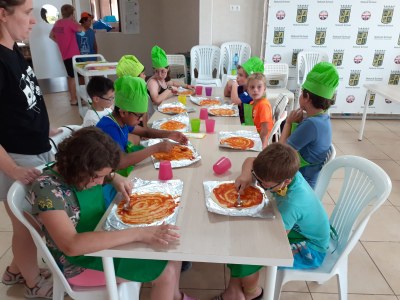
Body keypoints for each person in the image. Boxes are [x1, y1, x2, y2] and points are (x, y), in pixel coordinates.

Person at [29, 127, 195, 300]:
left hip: (102, 237)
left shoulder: (84, 172)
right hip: (79, 263)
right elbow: (72, 245)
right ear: (78, 167)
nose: (101, 181)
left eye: (105, 175)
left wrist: (114, 177)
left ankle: (175, 296)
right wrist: (138, 233)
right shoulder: (47, 189)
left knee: (172, 252)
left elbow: (103, 174)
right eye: (98, 177)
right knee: (166, 272)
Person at [214, 143, 330, 300]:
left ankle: (252, 293)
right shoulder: (283, 172)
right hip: (297, 228)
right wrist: (246, 175)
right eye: (257, 178)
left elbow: (274, 244)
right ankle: (233, 290)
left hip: (311, 247)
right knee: (242, 243)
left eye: (264, 185)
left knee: (247, 253)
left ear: (286, 181)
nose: (258, 185)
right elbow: (250, 160)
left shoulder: (292, 203)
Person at [0, 0, 61, 297]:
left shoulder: (13, 52)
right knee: (27, 226)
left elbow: (20, 102)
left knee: (31, 222)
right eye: (26, 13)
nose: (33, 21)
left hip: (34, 148)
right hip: (16, 158)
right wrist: (12, 169)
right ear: (2, 14)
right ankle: (33, 283)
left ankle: (16, 270)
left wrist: (43, 127)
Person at [97, 75, 188, 178]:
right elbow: (121, 162)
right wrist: (157, 148)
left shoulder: (123, 121)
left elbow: (145, 132)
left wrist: (169, 134)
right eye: (139, 116)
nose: (141, 119)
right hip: (107, 178)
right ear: (123, 112)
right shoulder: (109, 128)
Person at [279, 62, 339, 189]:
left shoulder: (311, 124)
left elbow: (282, 152)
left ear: (306, 97)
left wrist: (289, 123)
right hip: (307, 177)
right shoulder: (323, 119)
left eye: (301, 93)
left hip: (300, 183)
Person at [49, 4, 82, 106]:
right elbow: (81, 30)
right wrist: (75, 20)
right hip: (74, 55)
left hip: (65, 54)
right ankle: (73, 99)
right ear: (72, 13)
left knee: (71, 76)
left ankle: (74, 98)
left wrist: (60, 43)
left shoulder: (58, 23)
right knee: (74, 77)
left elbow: (51, 36)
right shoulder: (70, 23)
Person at [224, 56, 264, 124]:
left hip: (248, 125)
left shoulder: (252, 94)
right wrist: (228, 84)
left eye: (240, 75)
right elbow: (227, 94)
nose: (237, 77)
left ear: (250, 79)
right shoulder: (243, 87)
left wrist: (234, 85)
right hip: (239, 119)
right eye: (238, 74)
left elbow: (234, 102)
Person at [247, 73, 274, 149]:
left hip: (260, 139)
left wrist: (260, 144)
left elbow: (265, 130)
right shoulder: (253, 102)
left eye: (259, 87)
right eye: (252, 87)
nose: (255, 90)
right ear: (248, 89)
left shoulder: (263, 105)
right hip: (254, 133)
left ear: (264, 89)